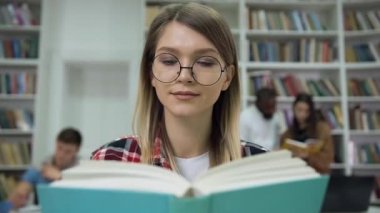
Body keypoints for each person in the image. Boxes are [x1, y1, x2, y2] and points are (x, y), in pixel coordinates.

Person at [91, 3, 266, 181]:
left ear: (227, 77)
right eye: (168, 61)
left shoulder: (261, 168)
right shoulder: (111, 161)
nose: (184, 76)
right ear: (150, 73)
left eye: (205, 62)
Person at [0, 127, 82, 212]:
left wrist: (60, 178)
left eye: (67, 152)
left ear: (77, 151)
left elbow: (81, 197)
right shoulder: (42, 166)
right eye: (59, 148)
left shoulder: (82, 169)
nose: (61, 155)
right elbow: (18, 194)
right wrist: (19, 195)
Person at [280, 93, 334, 174]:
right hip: (294, 173)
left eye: (306, 111)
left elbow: (328, 158)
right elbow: (283, 157)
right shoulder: (288, 133)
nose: (302, 114)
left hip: (316, 173)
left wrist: (309, 156)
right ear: (294, 109)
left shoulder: (322, 129)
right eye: (299, 110)